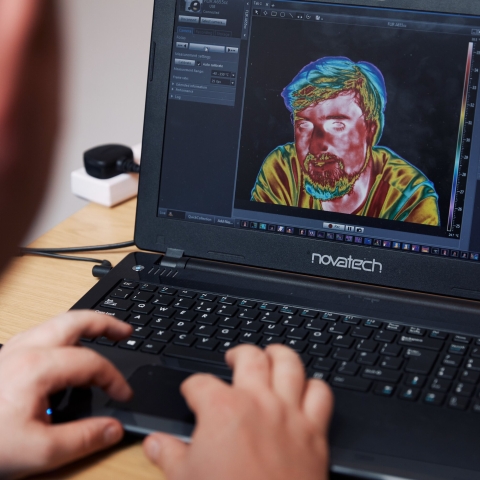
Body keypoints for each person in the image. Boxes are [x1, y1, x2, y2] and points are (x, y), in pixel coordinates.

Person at [0, 1, 334, 478]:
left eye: (337, 123)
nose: (316, 141)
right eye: (305, 124)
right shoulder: (281, 167)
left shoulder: (409, 188)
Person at [251, 56, 440, 226]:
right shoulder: (282, 171)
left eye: (337, 126)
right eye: (304, 126)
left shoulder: (409, 198)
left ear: (371, 131)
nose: (315, 148)